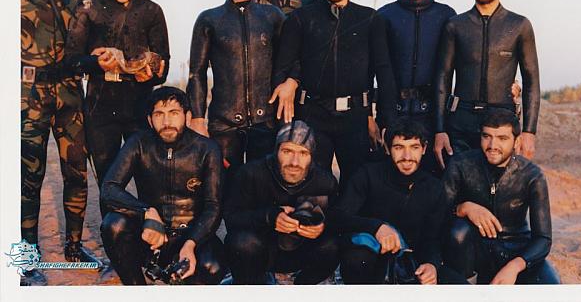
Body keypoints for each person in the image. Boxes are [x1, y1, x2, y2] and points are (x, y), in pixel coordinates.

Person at [271, 0, 397, 189]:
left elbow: (384, 73)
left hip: (355, 119)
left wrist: (384, 121)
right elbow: (283, 67)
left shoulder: (370, 19)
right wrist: (289, 123)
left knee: (357, 187)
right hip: (312, 115)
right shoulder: (300, 18)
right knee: (313, 189)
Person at [20, 0, 101, 285]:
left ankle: (74, 246)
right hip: (29, 95)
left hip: (69, 94)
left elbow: (89, 36)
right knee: (28, 176)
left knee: (76, 172)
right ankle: (26, 256)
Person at [66, 0, 170, 193]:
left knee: (149, 179)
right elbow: (71, 60)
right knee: (108, 181)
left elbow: (164, 65)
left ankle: (150, 220)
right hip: (101, 107)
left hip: (140, 106)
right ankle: (112, 222)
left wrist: (152, 71)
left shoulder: (151, 10)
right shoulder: (88, 8)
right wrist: (95, 63)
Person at [100, 87, 226, 285]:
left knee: (212, 266)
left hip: (191, 235)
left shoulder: (207, 149)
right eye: (159, 114)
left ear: (187, 117)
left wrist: (190, 244)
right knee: (113, 225)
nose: (166, 122)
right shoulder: (138, 143)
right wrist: (146, 213)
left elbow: (213, 207)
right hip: (150, 235)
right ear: (150, 120)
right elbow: (109, 188)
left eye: (174, 113)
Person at [433, 0, 540, 169]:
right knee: (460, 186)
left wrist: (529, 132)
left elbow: (531, 81)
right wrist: (439, 129)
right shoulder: (456, 25)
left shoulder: (519, 25)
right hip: (461, 125)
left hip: (502, 125)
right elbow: (443, 78)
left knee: (501, 187)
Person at [330, 118, 464, 284]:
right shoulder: (368, 175)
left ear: (424, 149)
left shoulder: (433, 187)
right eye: (399, 148)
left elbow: (433, 238)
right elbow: (337, 217)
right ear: (388, 149)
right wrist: (376, 227)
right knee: (357, 257)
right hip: (371, 261)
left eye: (414, 147)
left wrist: (431, 265)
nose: (407, 157)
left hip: (412, 264)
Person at [187, 0, 285, 177]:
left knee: (262, 186)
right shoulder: (209, 19)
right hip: (224, 124)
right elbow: (197, 73)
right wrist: (198, 119)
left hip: (266, 122)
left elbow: (288, 62)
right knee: (224, 187)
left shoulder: (273, 16)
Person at [442, 109, 560, 284]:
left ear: (516, 141)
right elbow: (438, 215)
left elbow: (543, 239)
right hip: (474, 252)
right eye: (486, 136)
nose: (492, 146)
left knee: (552, 287)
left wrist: (515, 266)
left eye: (502, 138)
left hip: (517, 249)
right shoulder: (460, 164)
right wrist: (463, 208)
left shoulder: (532, 175)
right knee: (458, 232)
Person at [224, 120, 339, 284]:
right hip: (263, 250)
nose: (294, 162)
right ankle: (254, 286)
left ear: (312, 156)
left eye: (303, 153)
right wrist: (269, 217)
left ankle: (303, 287)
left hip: (301, 251)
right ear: (276, 151)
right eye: (287, 151)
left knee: (332, 245)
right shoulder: (251, 173)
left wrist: (322, 227)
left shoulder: (325, 181)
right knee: (242, 243)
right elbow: (231, 218)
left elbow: (338, 219)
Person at [377, 0, 456, 168]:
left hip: (432, 116)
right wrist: (383, 120)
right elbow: (375, 68)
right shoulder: (384, 15)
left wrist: (441, 126)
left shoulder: (446, 16)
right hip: (393, 113)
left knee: (431, 177)